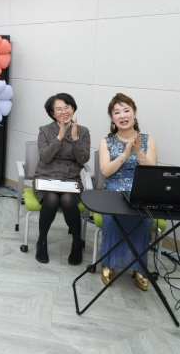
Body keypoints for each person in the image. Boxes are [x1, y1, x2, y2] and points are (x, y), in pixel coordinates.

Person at [99, 93, 157, 291]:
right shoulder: (106, 142)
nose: (122, 115)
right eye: (117, 112)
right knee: (112, 218)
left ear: (134, 113)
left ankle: (139, 266)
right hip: (113, 190)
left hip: (140, 190)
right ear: (112, 118)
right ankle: (109, 262)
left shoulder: (148, 140)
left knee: (144, 218)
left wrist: (138, 151)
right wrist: (125, 154)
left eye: (126, 110)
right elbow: (106, 171)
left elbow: (152, 171)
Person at [33, 93, 90, 266]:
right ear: (52, 113)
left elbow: (83, 159)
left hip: (70, 178)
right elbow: (45, 157)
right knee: (51, 199)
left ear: (73, 109)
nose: (64, 111)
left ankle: (77, 243)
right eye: (59, 109)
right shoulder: (45, 130)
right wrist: (59, 137)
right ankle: (42, 241)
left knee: (67, 200)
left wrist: (75, 139)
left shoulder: (83, 131)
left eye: (67, 107)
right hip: (46, 175)